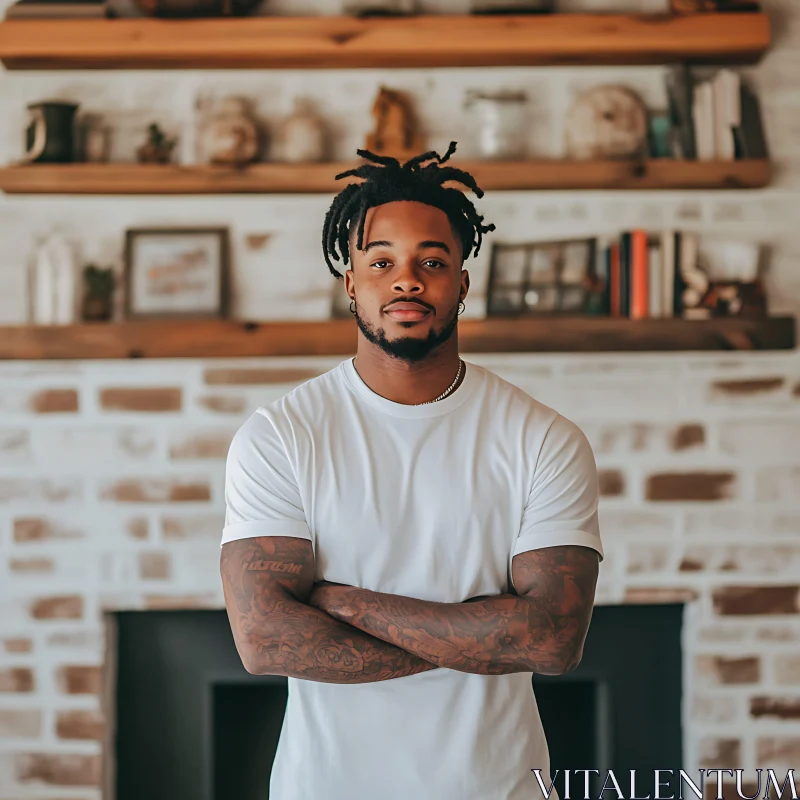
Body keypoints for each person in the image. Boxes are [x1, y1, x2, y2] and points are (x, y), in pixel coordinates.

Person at [220, 142, 604, 800]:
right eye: (382, 262)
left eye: (432, 261)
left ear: (462, 281)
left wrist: (341, 604)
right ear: (350, 281)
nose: (407, 280)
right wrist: (479, 631)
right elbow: (265, 641)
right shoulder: (281, 435)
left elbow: (550, 642)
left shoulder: (543, 439)